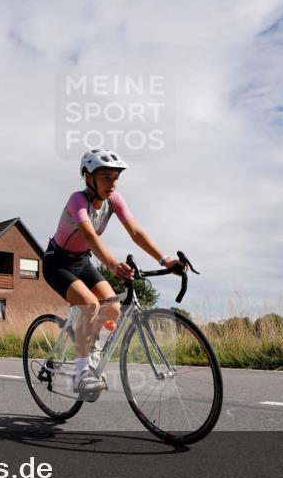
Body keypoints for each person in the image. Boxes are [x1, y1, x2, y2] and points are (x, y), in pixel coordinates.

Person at [43, 148, 185, 401]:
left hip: (82, 261)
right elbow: (89, 235)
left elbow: (136, 232)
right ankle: (81, 371)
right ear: (89, 178)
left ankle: (90, 352)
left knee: (113, 309)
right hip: (58, 263)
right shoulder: (77, 200)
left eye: (116, 177)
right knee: (89, 305)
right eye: (106, 177)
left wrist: (165, 260)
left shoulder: (115, 200)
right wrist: (112, 265)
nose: (112, 183)